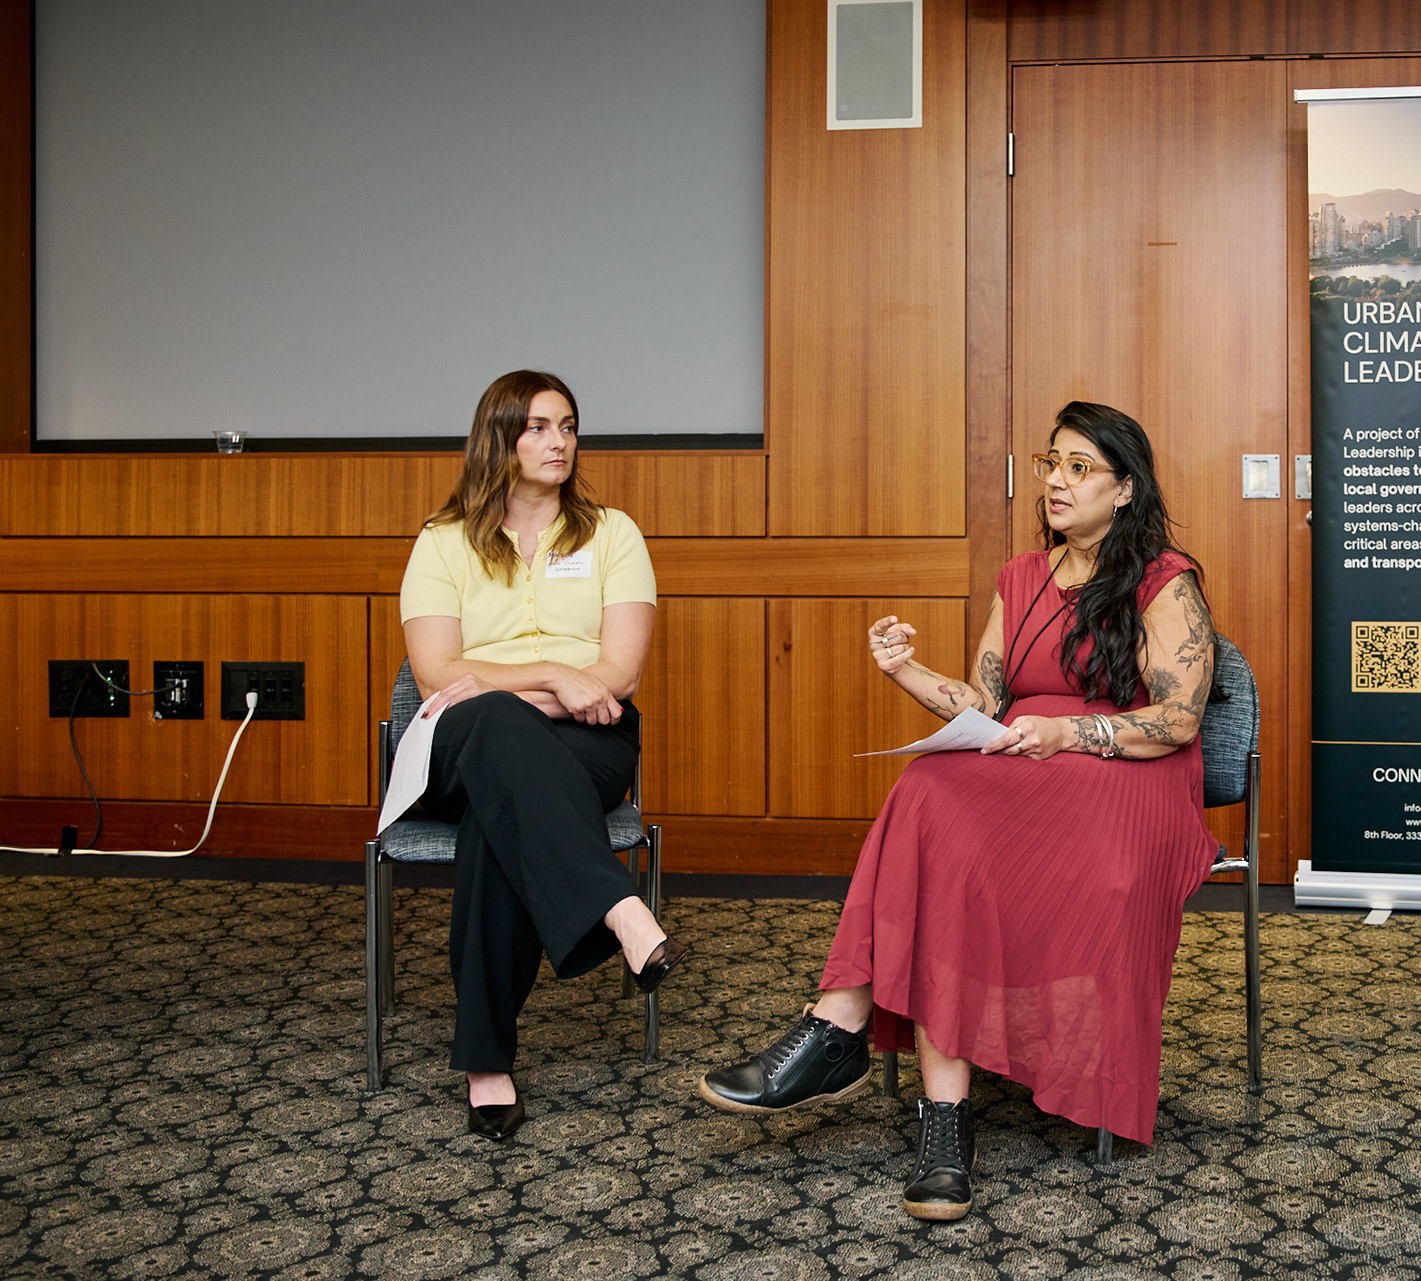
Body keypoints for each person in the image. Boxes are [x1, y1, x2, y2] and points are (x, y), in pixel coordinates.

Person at [699, 401, 1218, 1219]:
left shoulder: (1163, 577)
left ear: (1124, 489)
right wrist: (904, 671)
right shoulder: (1021, 576)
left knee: (939, 809)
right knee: (929, 793)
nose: (1055, 479)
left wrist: (1067, 731)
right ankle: (939, 1114)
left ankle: (841, 1032)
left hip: (1127, 774)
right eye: (1053, 460)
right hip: (1024, 764)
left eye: (1079, 467)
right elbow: (985, 701)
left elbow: (1179, 717)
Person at [398, 369, 685, 1141]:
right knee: (492, 729)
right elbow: (435, 676)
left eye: (567, 425)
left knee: (504, 812)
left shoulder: (613, 535)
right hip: (462, 740)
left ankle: (485, 1061)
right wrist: (554, 674)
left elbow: (619, 674)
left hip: (588, 740)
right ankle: (617, 906)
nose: (558, 441)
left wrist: (506, 688)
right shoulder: (441, 541)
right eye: (538, 427)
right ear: (499, 438)